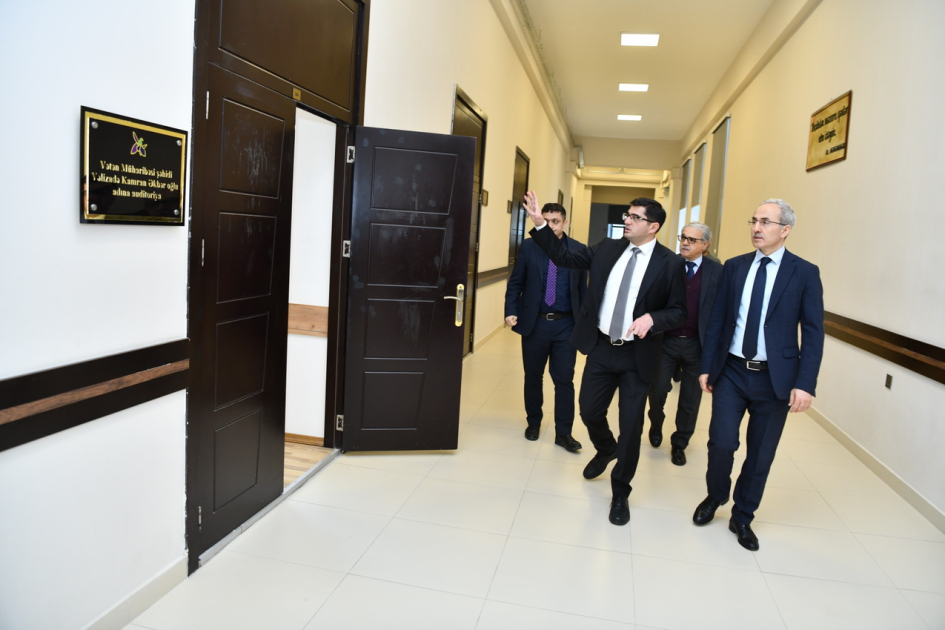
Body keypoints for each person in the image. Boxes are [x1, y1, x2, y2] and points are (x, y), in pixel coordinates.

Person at [523, 191, 687, 526]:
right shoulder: (607, 248)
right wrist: (540, 225)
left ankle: (620, 491)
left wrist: (653, 319)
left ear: (653, 226)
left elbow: (679, 310)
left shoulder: (670, 263)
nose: (627, 220)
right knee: (589, 411)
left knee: (631, 426)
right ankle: (606, 447)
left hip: (637, 355)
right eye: (627, 214)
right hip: (601, 348)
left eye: (635, 217)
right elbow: (564, 256)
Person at [692, 199, 824, 551]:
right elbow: (718, 320)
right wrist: (707, 366)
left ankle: (743, 514)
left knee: (761, 453)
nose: (756, 228)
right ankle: (716, 496)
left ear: (785, 230)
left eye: (765, 222)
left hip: (775, 379)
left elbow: (813, 332)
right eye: (754, 220)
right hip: (732, 371)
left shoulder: (804, 272)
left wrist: (805, 383)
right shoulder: (735, 267)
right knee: (721, 443)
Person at [504, 203, 588, 451]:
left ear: (565, 223)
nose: (550, 226)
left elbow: (583, 291)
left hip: (566, 325)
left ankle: (564, 433)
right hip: (536, 323)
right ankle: (534, 422)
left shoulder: (578, 250)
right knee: (533, 376)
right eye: (546, 220)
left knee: (564, 379)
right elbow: (516, 282)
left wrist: (586, 324)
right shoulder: (530, 247)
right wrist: (510, 310)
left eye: (555, 221)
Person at [646, 222, 723, 466]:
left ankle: (680, 443)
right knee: (658, 388)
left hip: (697, 345)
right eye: (683, 237)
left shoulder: (717, 271)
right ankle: (656, 422)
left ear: (706, 244)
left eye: (692, 239)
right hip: (666, 340)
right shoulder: (669, 265)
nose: (685, 243)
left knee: (690, 398)